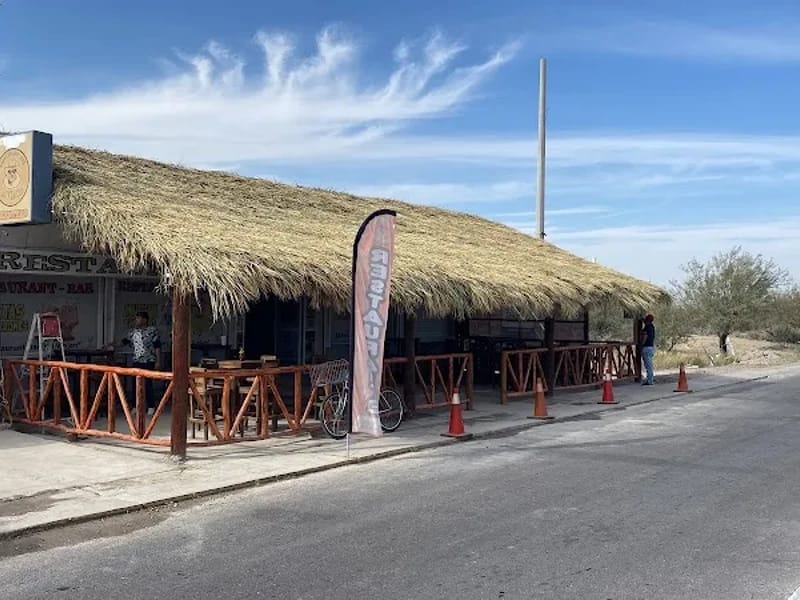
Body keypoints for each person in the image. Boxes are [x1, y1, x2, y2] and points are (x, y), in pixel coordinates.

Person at [121, 311, 162, 415]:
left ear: (144, 320)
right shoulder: (133, 332)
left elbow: (157, 346)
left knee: (147, 384)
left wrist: (158, 361)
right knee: (135, 383)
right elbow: (124, 342)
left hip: (149, 360)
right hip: (136, 360)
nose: (137, 321)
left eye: (138, 318)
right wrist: (112, 345)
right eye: (136, 318)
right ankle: (135, 406)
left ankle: (151, 406)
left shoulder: (152, 330)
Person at [640, 314, 656, 385]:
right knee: (650, 365)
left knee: (648, 365)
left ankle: (650, 380)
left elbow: (645, 336)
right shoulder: (652, 326)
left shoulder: (647, 327)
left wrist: (641, 344)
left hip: (646, 347)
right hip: (651, 347)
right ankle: (650, 379)